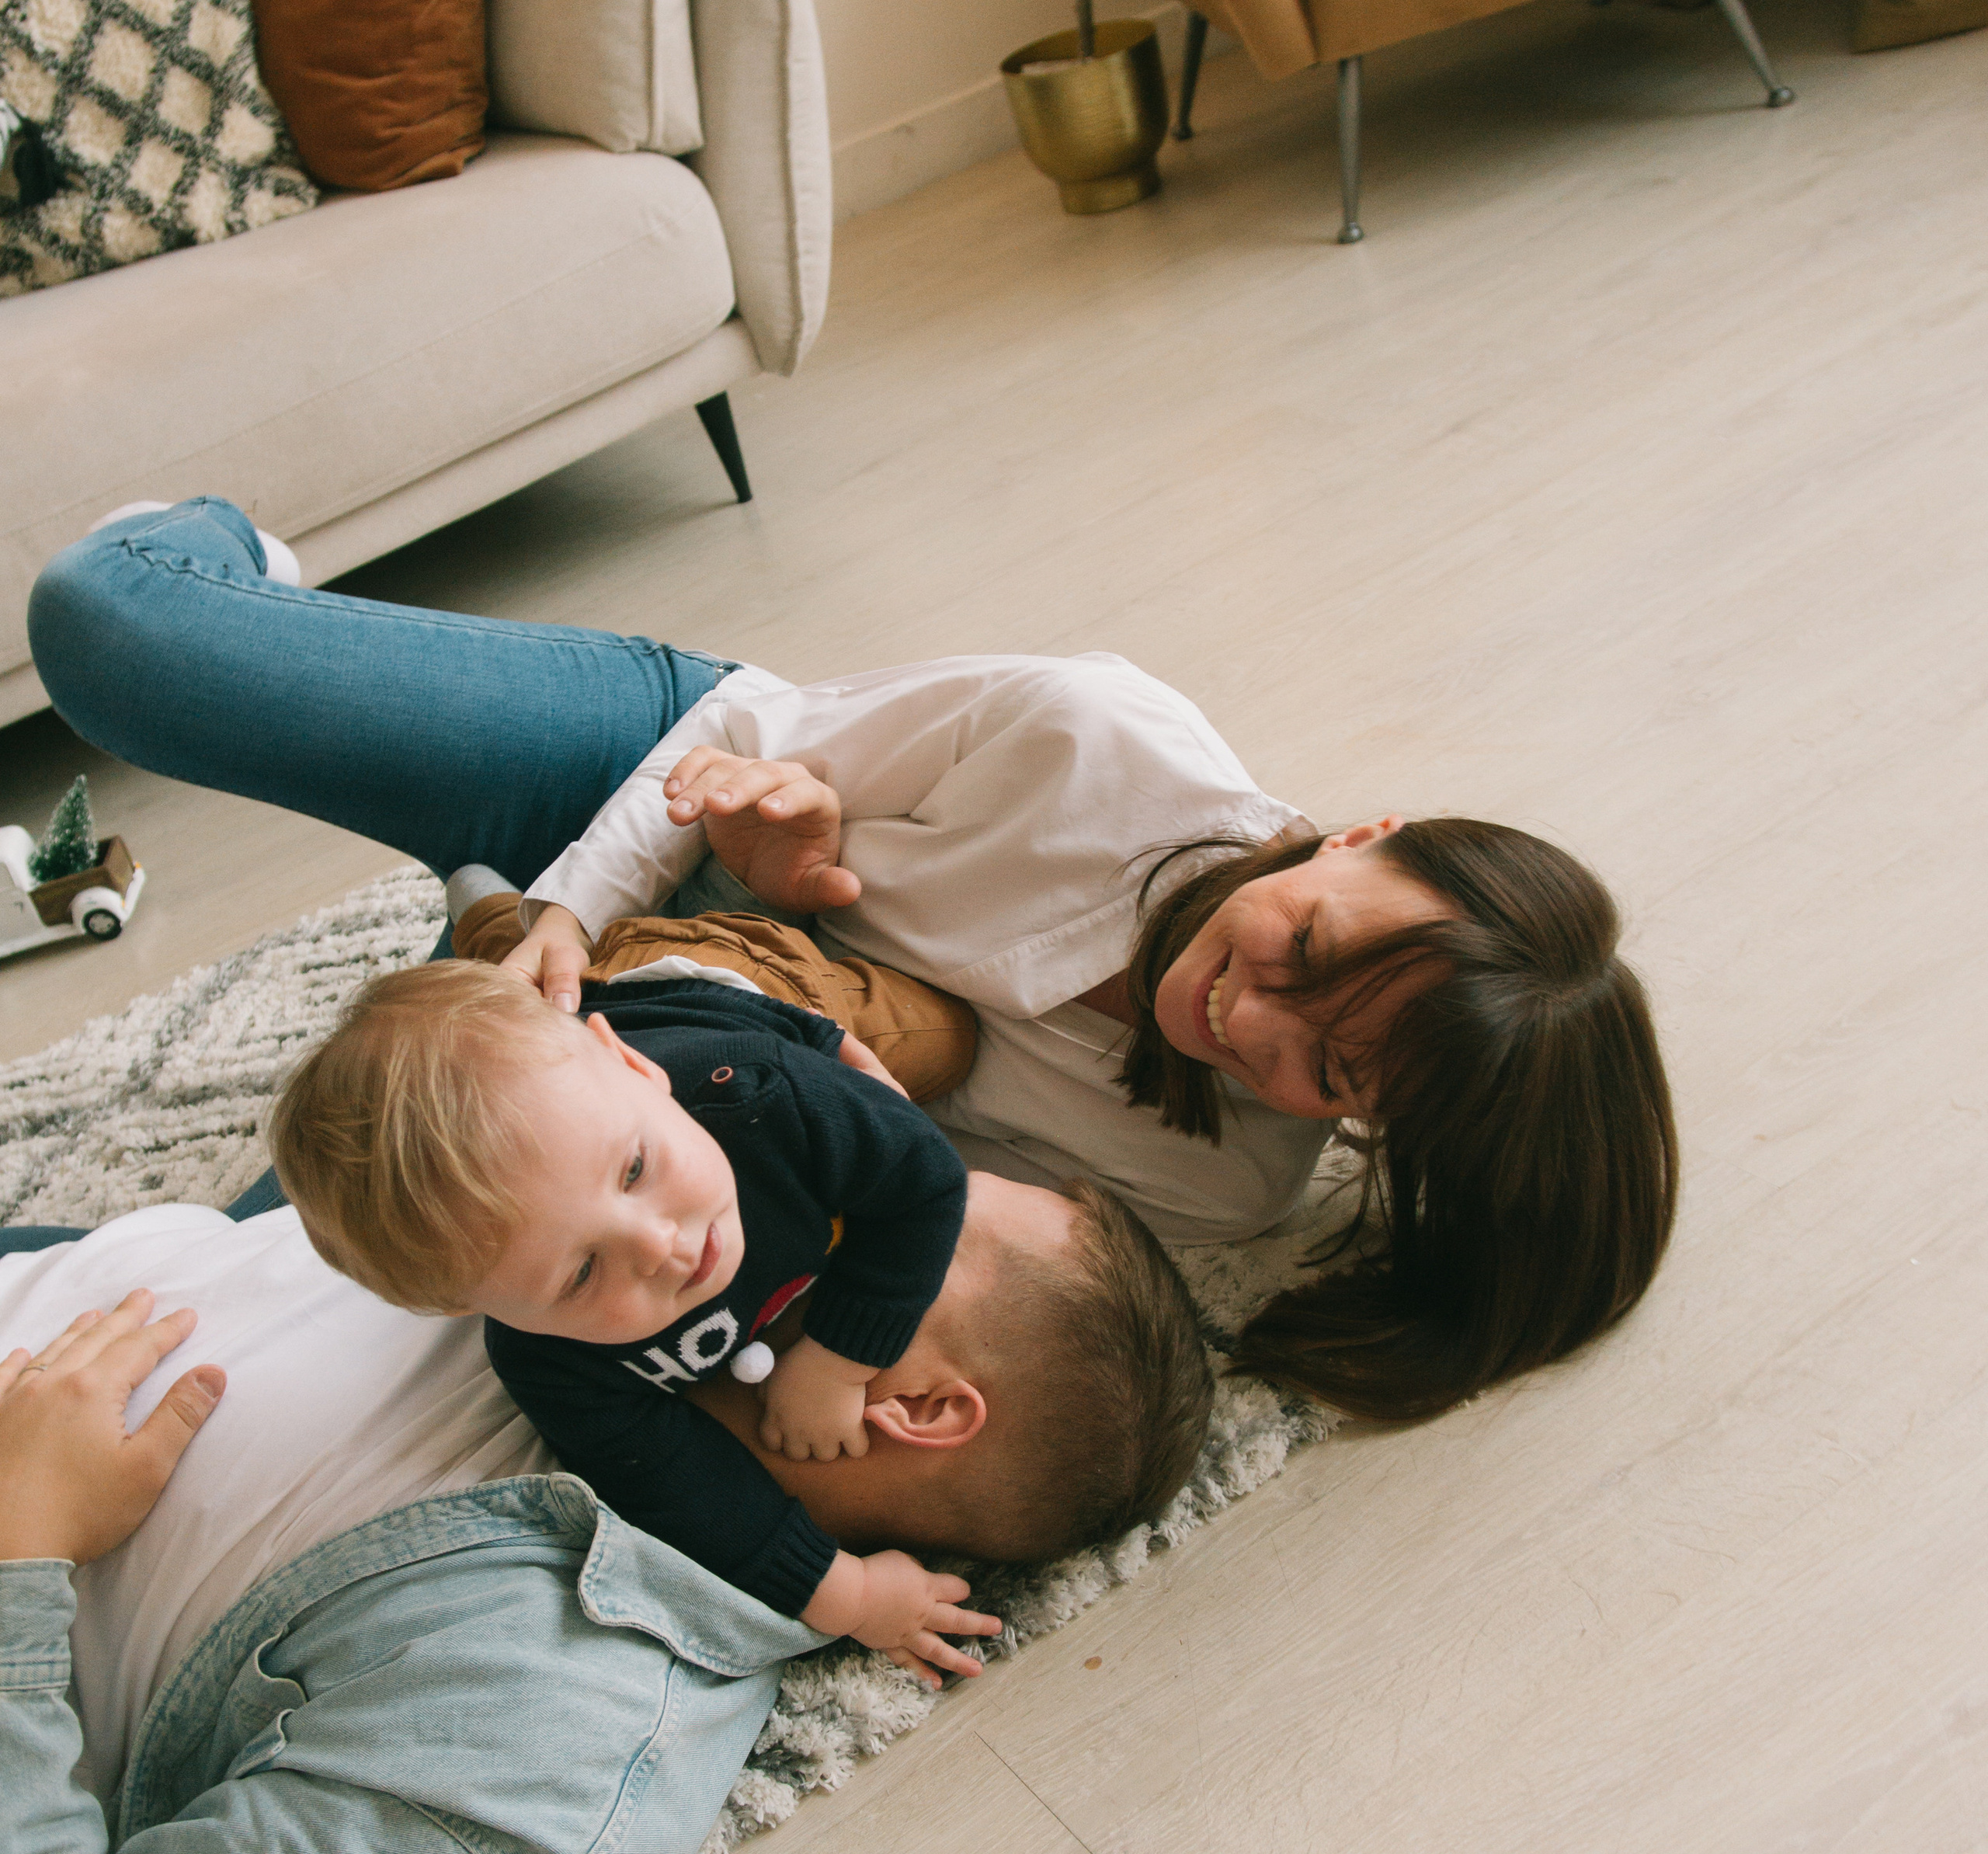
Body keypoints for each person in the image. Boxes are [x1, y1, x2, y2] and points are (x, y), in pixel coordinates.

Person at [28, 498, 1678, 1419]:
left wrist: (736, 979)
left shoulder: (1228, 1185)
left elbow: (869, 1173)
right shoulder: (1091, 734)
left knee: (222, 1302)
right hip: (635, 787)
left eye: (1327, 1071)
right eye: (1303, 947)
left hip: (653, 1027)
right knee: (109, 629)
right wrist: (598, 904)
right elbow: (744, 728)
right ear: (1361, 832)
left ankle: (455, 919)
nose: (1245, 1016)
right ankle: (248, 573)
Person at [0, 1128, 1205, 1854]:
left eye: (896, 1215)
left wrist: (19, 1549)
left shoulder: (537, 1752)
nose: (835, 1167)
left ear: (916, 1405)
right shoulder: (629, 1270)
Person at [264, 960, 1211, 1657]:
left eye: (637, 1169)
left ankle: (522, 942)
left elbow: (919, 1180)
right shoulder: (549, 1357)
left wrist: (840, 1355)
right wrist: (843, 1595)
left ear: (634, 1071)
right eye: (579, 1275)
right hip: (664, 1036)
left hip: (709, 1023)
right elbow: (675, 1484)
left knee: (838, 1052)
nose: (665, 1245)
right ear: (477, 1307)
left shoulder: (746, 1101)